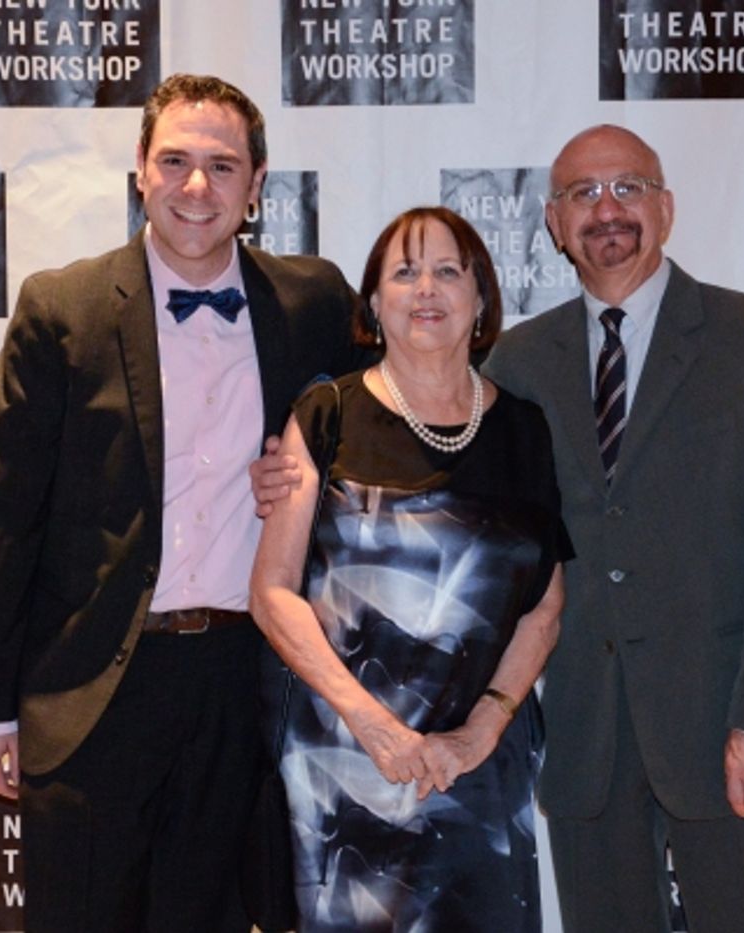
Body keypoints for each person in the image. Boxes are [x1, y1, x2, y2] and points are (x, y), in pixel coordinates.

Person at [0, 73, 362, 932]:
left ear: (257, 186)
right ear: (139, 170)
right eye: (174, 160)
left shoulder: (314, 303)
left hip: (242, 691)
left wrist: (300, 487)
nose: (195, 187)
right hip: (95, 684)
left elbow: (377, 455)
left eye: (222, 166)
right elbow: (3, 520)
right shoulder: (59, 309)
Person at [481, 126, 744, 932]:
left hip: (727, 733)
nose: (608, 210)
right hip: (584, 740)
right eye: (583, 194)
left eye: (628, 188)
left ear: (666, 209)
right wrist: (301, 465)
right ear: (554, 222)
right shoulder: (516, 363)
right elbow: (471, 519)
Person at [248, 206, 570, 932]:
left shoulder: (524, 428)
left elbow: (545, 606)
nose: (427, 288)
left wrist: (485, 726)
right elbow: (271, 592)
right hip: (345, 771)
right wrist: (373, 724)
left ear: (481, 299)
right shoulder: (326, 413)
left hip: (478, 775)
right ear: (374, 304)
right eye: (405, 271)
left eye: (448, 271)